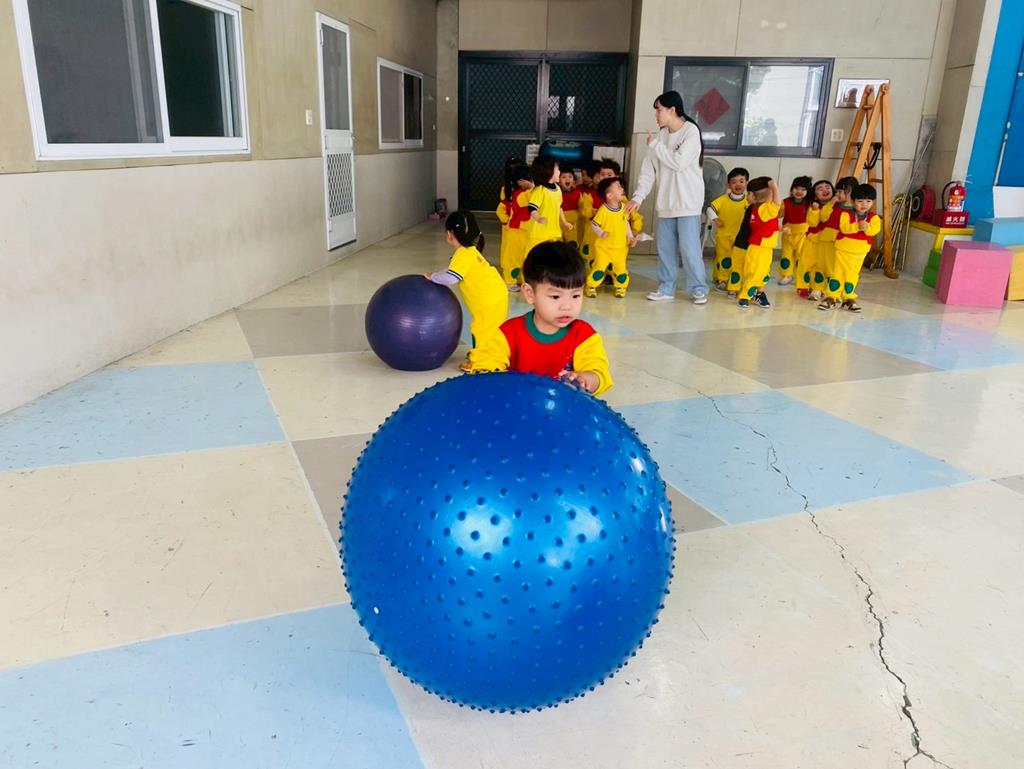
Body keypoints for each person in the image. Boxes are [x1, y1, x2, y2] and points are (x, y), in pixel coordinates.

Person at [470, 241, 612, 395]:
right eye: (555, 296)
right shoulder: (509, 333)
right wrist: (486, 374)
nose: (567, 306)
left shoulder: (584, 335)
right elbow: (487, 364)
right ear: (530, 293)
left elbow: (598, 373)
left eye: (576, 295)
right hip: (518, 405)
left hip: (565, 408)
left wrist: (585, 379)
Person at [626, 91, 707, 304]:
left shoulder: (690, 132)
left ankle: (698, 288)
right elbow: (648, 170)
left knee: (689, 250)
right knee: (665, 250)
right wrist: (638, 197)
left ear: (672, 110)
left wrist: (655, 145)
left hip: (688, 203)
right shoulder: (661, 136)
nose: (656, 115)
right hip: (666, 204)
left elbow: (679, 162)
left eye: (659, 110)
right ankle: (666, 288)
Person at [426, 211, 509, 372]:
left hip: (488, 301)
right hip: (496, 296)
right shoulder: (469, 251)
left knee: (482, 330)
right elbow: (451, 270)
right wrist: (436, 275)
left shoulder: (463, 254)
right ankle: (488, 354)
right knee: (490, 330)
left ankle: (482, 362)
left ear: (450, 234)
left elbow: (451, 277)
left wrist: (433, 277)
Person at [820, 183, 881, 312]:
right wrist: (857, 226)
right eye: (860, 201)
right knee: (838, 273)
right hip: (843, 249)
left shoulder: (874, 217)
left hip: (860, 251)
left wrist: (867, 227)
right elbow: (844, 228)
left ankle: (848, 298)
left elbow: (874, 230)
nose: (864, 204)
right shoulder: (846, 214)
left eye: (868, 201)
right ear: (853, 201)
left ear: (873, 202)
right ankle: (831, 297)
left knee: (852, 275)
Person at [585, 177, 643, 298]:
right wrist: (601, 233)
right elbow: (594, 224)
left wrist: (631, 237)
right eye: (618, 187)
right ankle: (591, 286)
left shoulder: (624, 208)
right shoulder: (603, 210)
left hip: (621, 247)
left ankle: (620, 287)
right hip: (604, 248)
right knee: (599, 268)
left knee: (620, 269)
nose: (622, 189)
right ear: (610, 196)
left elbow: (626, 224)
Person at [736, 176, 780, 309]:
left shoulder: (759, 208)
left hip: (765, 247)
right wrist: (774, 187)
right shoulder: (763, 208)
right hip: (759, 247)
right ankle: (745, 296)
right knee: (754, 273)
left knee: (763, 273)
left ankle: (759, 294)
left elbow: (768, 224)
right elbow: (777, 203)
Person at [707, 167, 749, 290]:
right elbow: (710, 209)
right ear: (728, 185)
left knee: (738, 259)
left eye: (741, 181)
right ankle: (722, 279)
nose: (738, 185)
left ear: (746, 183)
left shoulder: (748, 201)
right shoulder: (722, 199)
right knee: (724, 258)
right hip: (724, 236)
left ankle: (736, 280)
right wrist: (716, 219)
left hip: (741, 238)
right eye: (734, 182)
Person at [819, 176, 858, 298]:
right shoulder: (833, 206)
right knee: (826, 267)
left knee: (838, 269)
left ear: (850, 192)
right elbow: (823, 217)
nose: (837, 194)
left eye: (841, 191)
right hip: (827, 240)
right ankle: (824, 289)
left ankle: (837, 293)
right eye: (837, 191)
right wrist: (831, 202)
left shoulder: (856, 210)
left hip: (842, 244)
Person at [797, 180, 835, 299]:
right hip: (812, 241)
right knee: (806, 264)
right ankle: (802, 286)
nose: (825, 190)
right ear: (815, 196)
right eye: (820, 188)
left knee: (821, 267)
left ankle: (817, 288)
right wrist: (815, 210)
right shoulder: (813, 207)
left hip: (827, 243)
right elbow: (812, 223)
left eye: (827, 187)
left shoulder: (836, 206)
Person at [526, 157, 572, 254]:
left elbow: (559, 207)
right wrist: (538, 218)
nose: (559, 172)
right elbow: (532, 208)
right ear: (549, 171)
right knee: (535, 256)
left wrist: (564, 222)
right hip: (539, 234)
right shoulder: (540, 190)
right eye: (557, 169)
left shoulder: (557, 189)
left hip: (554, 232)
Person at [499, 165, 534, 291]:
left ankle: (523, 280)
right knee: (514, 258)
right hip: (516, 230)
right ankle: (510, 281)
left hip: (527, 231)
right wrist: (532, 186)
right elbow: (534, 197)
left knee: (526, 258)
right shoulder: (520, 194)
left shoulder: (526, 192)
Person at [777, 175, 812, 285]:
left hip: (802, 234)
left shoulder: (809, 204)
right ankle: (786, 275)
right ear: (792, 189)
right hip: (787, 234)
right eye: (796, 188)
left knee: (800, 257)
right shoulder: (785, 202)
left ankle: (800, 276)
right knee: (786, 256)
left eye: (803, 189)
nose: (799, 192)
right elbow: (778, 215)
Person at [558, 167, 582, 246]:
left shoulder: (578, 193)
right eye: (564, 177)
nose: (567, 179)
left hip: (572, 225)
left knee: (572, 244)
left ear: (574, 180)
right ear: (559, 180)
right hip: (558, 224)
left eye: (570, 177)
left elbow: (581, 208)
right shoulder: (556, 193)